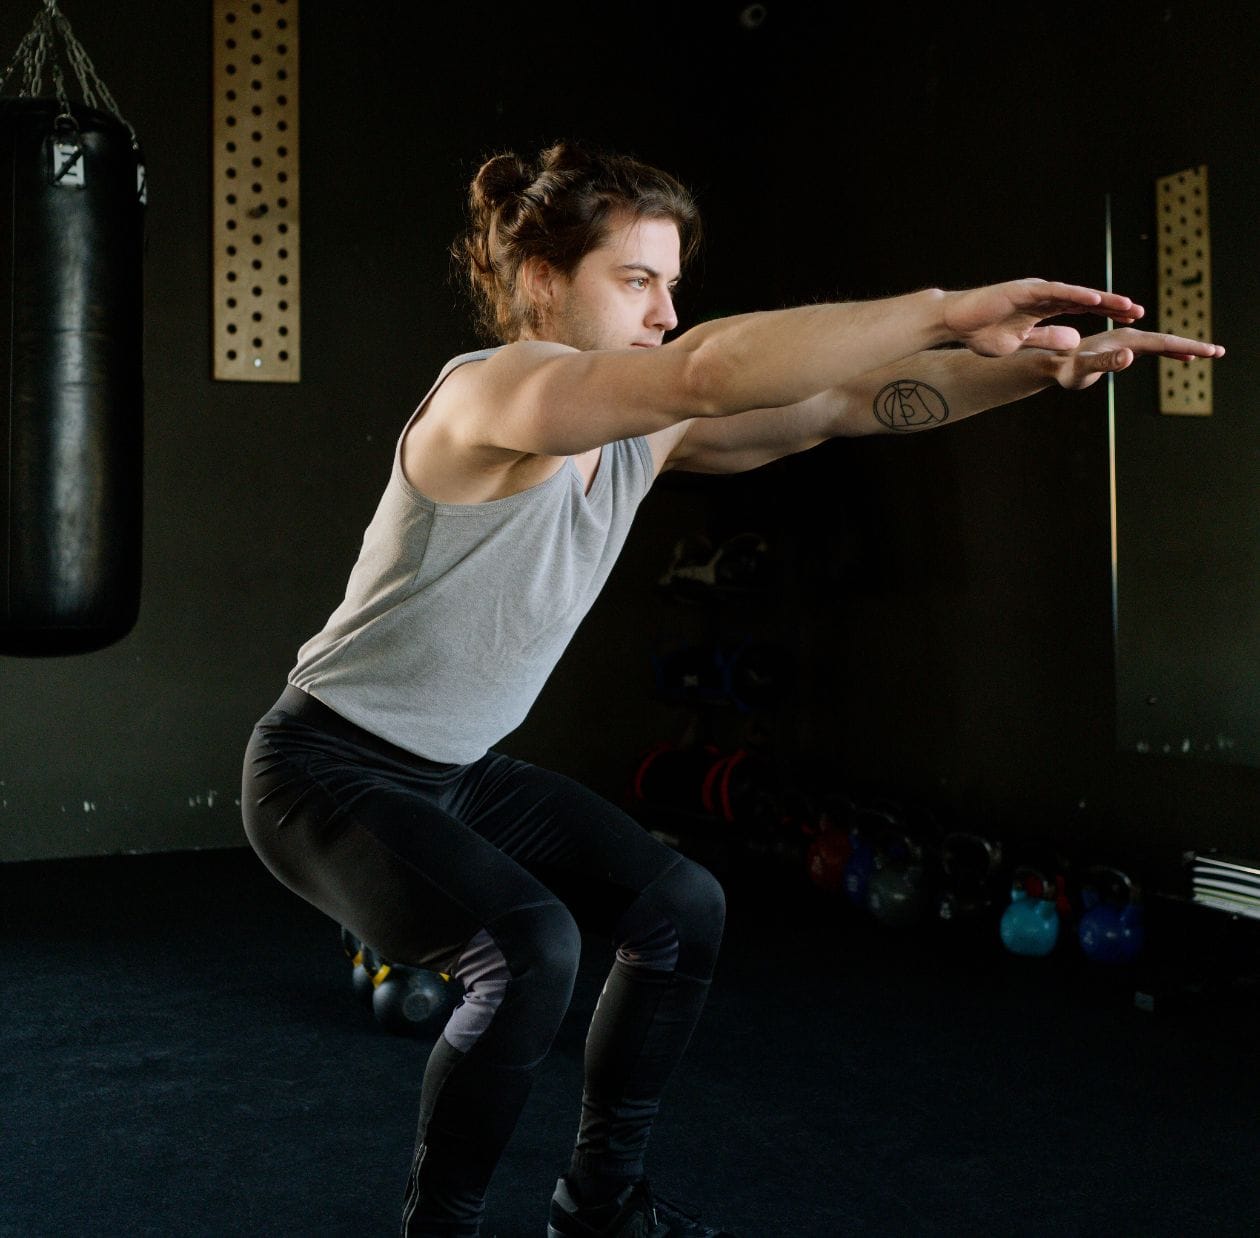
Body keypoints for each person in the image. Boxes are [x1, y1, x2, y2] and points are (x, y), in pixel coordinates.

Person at [240, 141, 1223, 1238]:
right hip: (326, 770)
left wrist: (1032, 370)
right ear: (539, 283)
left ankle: (599, 1205)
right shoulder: (496, 392)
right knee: (529, 949)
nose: (665, 311)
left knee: (681, 904)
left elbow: (836, 406)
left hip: (453, 771)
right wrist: (947, 308)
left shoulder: (637, 436)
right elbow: (706, 369)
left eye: (674, 285)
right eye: (636, 280)